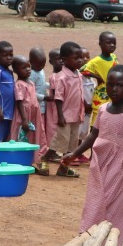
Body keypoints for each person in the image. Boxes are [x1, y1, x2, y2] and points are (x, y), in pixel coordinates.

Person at [63, 65, 123, 240]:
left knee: (115, 202)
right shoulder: (102, 109)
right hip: (100, 163)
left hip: (121, 166)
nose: (114, 89)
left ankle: (114, 241)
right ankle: (90, 235)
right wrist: (76, 153)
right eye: (110, 84)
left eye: (120, 85)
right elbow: (93, 134)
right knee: (96, 199)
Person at [48, 42, 85, 178]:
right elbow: (58, 98)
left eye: (81, 57)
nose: (80, 60)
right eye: (76, 58)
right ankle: (44, 159)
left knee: (71, 144)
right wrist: (60, 116)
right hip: (65, 115)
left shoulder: (78, 74)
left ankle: (63, 168)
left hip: (76, 115)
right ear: (64, 60)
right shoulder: (62, 77)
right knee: (60, 142)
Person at [80, 32, 119, 125]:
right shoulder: (96, 61)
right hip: (101, 95)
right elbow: (82, 70)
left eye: (114, 43)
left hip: (113, 93)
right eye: (109, 43)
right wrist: (97, 77)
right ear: (100, 44)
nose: (112, 45)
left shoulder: (114, 57)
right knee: (97, 120)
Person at [28, 48, 51, 173]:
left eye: (43, 64)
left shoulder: (40, 71)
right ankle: (39, 157)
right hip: (36, 108)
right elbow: (31, 92)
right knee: (39, 134)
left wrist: (51, 85)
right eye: (38, 64)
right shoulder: (31, 73)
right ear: (31, 62)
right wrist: (44, 97)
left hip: (43, 108)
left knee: (42, 132)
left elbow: (42, 84)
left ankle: (40, 155)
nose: (41, 66)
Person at [12, 57, 42, 148]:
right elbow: (19, 102)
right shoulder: (19, 84)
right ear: (16, 70)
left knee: (32, 135)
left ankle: (32, 157)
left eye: (29, 66)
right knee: (21, 135)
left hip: (33, 113)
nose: (28, 69)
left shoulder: (31, 83)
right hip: (24, 115)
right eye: (24, 68)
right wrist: (24, 119)